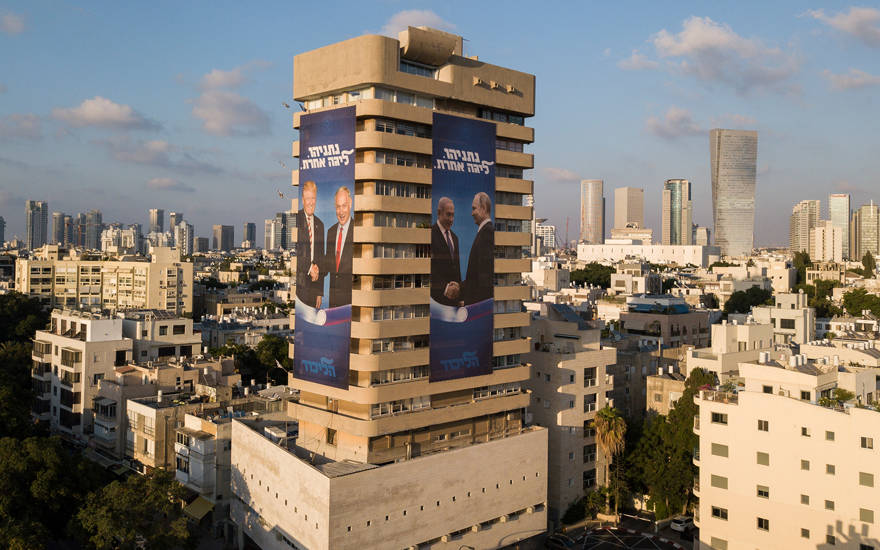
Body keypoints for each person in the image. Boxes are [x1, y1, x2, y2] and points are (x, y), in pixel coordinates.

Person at [460, 191, 494, 305]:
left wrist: (472, 306)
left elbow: (484, 279)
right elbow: (476, 276)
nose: (472, 213)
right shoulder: (484, 233)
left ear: (483, 208)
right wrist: (460, 288)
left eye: (474, 208)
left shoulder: (487, 233)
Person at [295, 180, 324, 309]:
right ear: (302, 200)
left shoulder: (320, 224)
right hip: (299, 285)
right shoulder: (295, 219)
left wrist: (319, 292)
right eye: (308, 199)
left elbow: (321, 259)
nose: (311, 202)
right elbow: (294, 252)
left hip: (314, 286)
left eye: (313, 198)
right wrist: (309, 267)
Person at [323, 186, 354, 308]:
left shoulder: (357, 230)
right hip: (333, 300)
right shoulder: (330, 232)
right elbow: (327, 264)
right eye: (338, 207)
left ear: (350, 204)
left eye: (344, 206)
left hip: (351, 301)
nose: (341, 212)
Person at [431, 197, 462, 306]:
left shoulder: (455, 238)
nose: (451, 219)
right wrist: (445, 288)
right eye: (448, 215)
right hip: (436, 303)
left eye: (453, 215)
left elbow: (456, 270)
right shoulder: (429, 235)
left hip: (454, 303)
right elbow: (426, 269)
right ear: (439, 213)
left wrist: (459, 293)